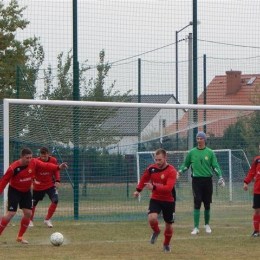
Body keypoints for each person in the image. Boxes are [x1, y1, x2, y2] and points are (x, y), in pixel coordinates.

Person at [0, 148, 68, 244]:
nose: (29, 160)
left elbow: (46, 166)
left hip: (26, 192)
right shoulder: (13, 167)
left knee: (28, 214)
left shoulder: (34, 162)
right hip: (14, 191)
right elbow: (4, 181)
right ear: (21, 157)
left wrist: (58, 167)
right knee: (10, 214)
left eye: (30, 157)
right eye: (27, 158)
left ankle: (20, 237)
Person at [178, 132, 225, 235]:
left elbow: (215, 166)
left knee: (207, 204)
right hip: (196, 181)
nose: (199, 140)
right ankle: (195, 227)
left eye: (201, 139)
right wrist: (180, 171)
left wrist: (220, 177)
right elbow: (185, 165)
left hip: (207, 181)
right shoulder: (192, 152)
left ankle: (207, 225)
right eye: (197, 138)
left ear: (204, 140)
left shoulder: (210, 152)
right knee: (197, 202)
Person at [134, 148, 177, 252]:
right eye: (156, 159)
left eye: (160, 160)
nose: (157, 162)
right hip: (156, 198)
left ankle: (166, 244)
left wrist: (154, 187)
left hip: (168, 200)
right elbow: (144, 178)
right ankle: (156, 231)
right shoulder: (151, 169)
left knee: (168, 225)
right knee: (152, 218)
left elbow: (168, 188)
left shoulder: (171, 171)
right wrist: (138, 190)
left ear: (165, 158)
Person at [29, 146, 60, 228]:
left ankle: (47, 220)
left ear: (48, 155)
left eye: (45, 156)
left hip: (50, 185)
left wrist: (57, 180)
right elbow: (32, 172)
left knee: (55, 200)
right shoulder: (36, 161)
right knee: (33, 204)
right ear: (40, 155)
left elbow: (56, 170)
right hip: (38, 186)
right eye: (42, 156)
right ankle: (30, 220)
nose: (43, 158)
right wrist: (34, 179)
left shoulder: (53, 160)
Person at [243, 149, 260, 237]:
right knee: (257, 210)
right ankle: (256, 231)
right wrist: (246, 182)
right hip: (257, 190)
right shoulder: (257, 160)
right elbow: (251, 172)